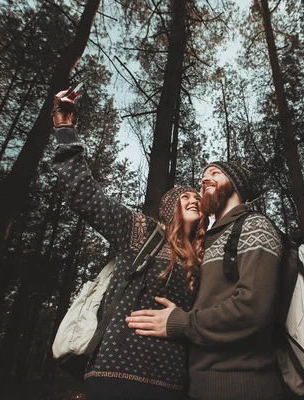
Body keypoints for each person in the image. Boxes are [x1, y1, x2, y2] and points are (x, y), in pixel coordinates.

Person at [51, 90, 207, 400]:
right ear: (168, 208)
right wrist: (65, 128)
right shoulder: (140, 231)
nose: (194, 199)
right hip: (114, 373)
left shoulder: (206, 259)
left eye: (198, 197)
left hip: (175, 382)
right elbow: (83, 192)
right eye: (184, 197)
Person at [127, 162, 285, 400]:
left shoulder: (254, 225)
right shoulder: (207, 243)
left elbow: (252, 310)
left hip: (244, 386)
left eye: (215, 173)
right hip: (196, 388)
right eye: (202, 178)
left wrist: (182, 323)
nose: (205, 180)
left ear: (236, 183)